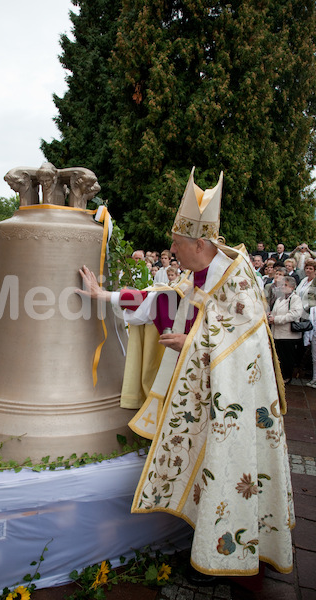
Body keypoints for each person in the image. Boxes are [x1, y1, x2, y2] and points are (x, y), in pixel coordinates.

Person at [77, 167, 294, 583]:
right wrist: (103, 294)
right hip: (209, 400)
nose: (172, 251)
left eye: (177, 245)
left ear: (199, 244)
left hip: (236, 408)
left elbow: (242, 345)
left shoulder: (238, 280)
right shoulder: (198, 275)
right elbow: (161, 300)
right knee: (205, 468)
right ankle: (207, 545)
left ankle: (224, 560)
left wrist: (191, 344)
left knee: (228, 468)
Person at [267, 276, 303, 383]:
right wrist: (270, 316)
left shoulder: (295, 298)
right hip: (277, 333)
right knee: (279, 357)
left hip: (287, 334)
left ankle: (286, 377)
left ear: (292, 287)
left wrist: (276, 319)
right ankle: (279, 376)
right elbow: (275, 311)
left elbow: (295, 314)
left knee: (287, 357)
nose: (283, 287)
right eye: (282, 285)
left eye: (285, 285)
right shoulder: (280, 298)